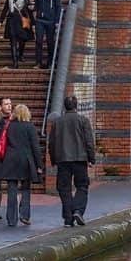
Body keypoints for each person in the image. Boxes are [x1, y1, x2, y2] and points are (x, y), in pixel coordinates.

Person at [48, 95, 97, 227]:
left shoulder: (57, 122)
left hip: (63, 160)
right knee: (82, 186)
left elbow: (51, 143)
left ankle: (68, 218)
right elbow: (89, 142)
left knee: (64, 188)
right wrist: (91, 158)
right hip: (80, 159)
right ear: (76, 106)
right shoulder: (83, 120)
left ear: (64, 106)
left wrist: (53, 159)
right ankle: (78, 210)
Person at [2, 104, 43, 227]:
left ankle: (11, 219)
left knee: (12, 190)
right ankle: (24, 215)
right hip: (26, 160)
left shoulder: (9, 126)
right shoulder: (30, 127)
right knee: (25, 189)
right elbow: (35, 147)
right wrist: (39, 164)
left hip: (11, 159)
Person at [0, 0, 34, 69]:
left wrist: (33, 22)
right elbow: (5, 9)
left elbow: (29, 10)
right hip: (12, 21)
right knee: (13, 42)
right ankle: (15, 62)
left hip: (22, 21)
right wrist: (0, 21)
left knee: (22, 40)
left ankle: (20, 55)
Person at [34, 0, 62, 69]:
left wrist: (57, 21)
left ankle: (51, 63)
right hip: (40, 20)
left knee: (50, 42)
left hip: (51, 21)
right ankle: (38, 62)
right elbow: (36, 6)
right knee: (38, 41)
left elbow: (58, 7)